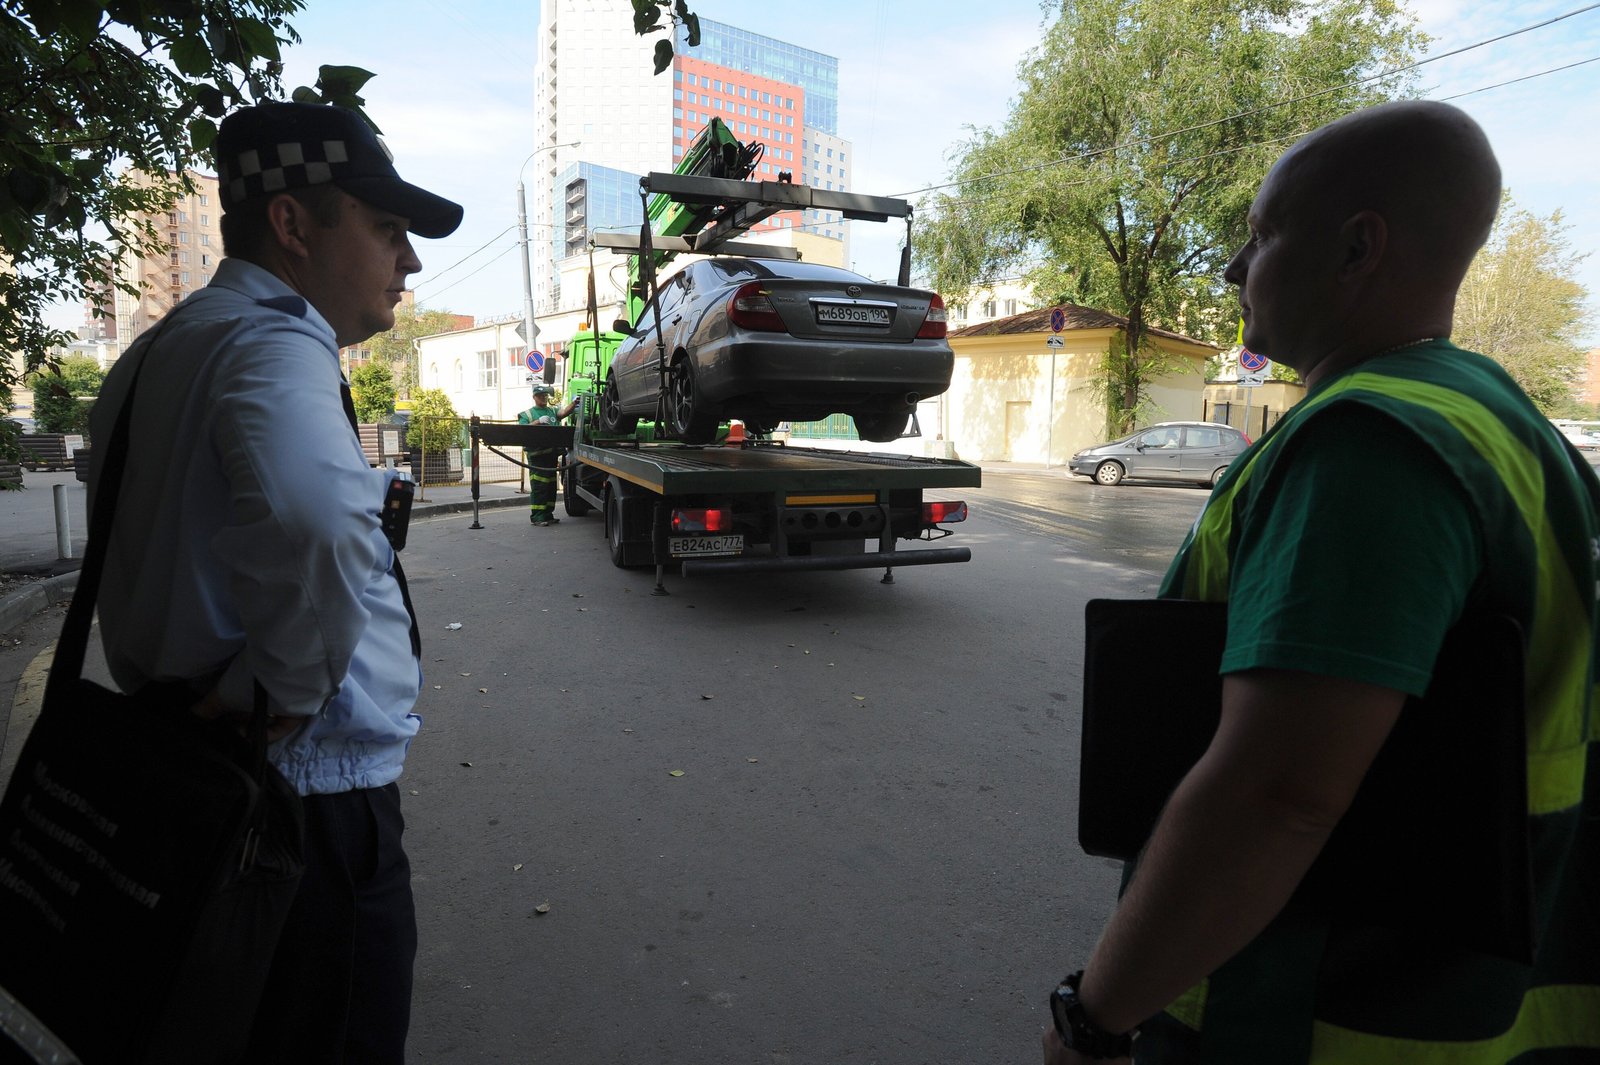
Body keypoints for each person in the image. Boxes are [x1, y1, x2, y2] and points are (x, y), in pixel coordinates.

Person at [1044, 100, 1600, 1064]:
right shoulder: (1501, 419)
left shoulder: (1369, 444)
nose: (1231, 267)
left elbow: (1279, 794)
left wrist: (1094, 1016)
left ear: (1357, 249)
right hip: (1480, 1004)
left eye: (1260, 234)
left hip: (1325, 1013)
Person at [87, 101, 463, 1064]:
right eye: (385, 230)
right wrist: (284, 689)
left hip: (185, 771)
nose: (408, 261)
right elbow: (319, 519)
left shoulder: (158, 349)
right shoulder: (272, 340)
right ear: (292, 224)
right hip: (302, 810)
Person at [517, 382, 575, 526]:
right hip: (537, 458)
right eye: (541, 396)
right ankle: (537, 517)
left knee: (550, 488)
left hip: (551, 456)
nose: (544, 398)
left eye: (545, 395)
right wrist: (538, 422)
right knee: (539, 488)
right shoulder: (527, 414)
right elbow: (522, 430)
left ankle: (548, 515)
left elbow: (563, 413)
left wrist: (574, 403)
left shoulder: (551, 411)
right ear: (534, 397)